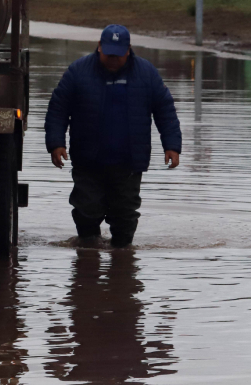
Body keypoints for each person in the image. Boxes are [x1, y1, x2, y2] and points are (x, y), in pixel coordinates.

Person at [44, 24, 182, 249]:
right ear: (99, 47)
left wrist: (172, 145)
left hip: (128, 161)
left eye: (118, 55)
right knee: (86, 210)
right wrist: (56, 144)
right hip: (88, 160)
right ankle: (88, 255)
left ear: (128, 50)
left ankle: (122, 255)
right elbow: (58, 109)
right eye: (108, 54)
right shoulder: (78, 72)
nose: (113, 59)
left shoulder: (146, 74)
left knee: (125, 214)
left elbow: (165, 110)